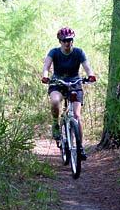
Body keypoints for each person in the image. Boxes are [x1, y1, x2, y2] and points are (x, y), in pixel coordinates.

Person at [41, 27, 96, 160]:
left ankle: (80, 147)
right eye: (64, 40)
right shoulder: (54, 52)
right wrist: (45, 75)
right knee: (54, 101)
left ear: (73, 40)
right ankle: (55, 123)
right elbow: (46, 66)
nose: (67, 43)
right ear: (60, 41)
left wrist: (91, 75)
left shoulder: (78, 52)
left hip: (75, 82)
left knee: (77, 116)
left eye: (70, 40)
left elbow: (87, 66)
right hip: (57, 82)